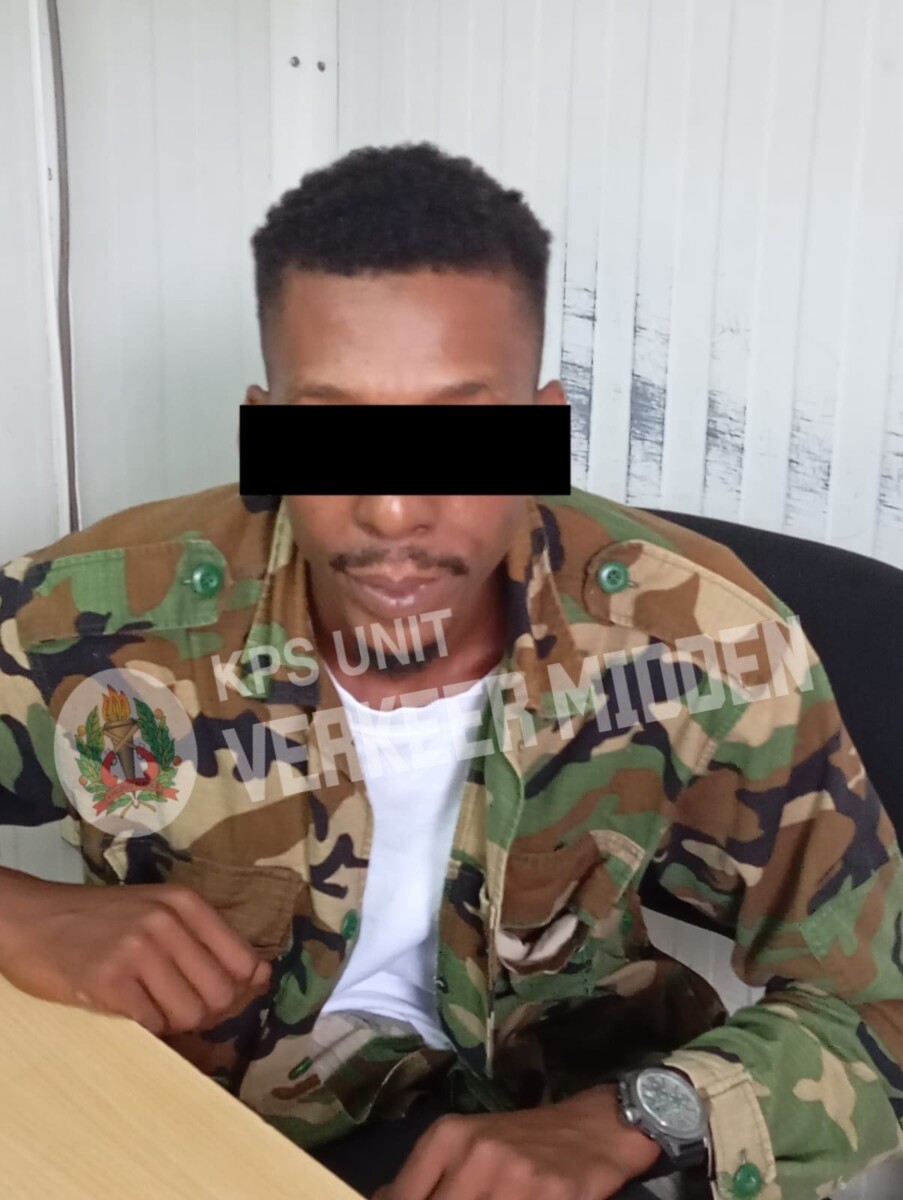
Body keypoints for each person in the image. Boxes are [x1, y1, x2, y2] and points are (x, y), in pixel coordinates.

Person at [0, 142, 901, 1200]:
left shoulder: (699, 638)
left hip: (562, 1129)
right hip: (201, 1131)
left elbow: (877, 1008)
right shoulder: (99, 611)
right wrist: (21, 914)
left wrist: (631, 1121)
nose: (393, 509)